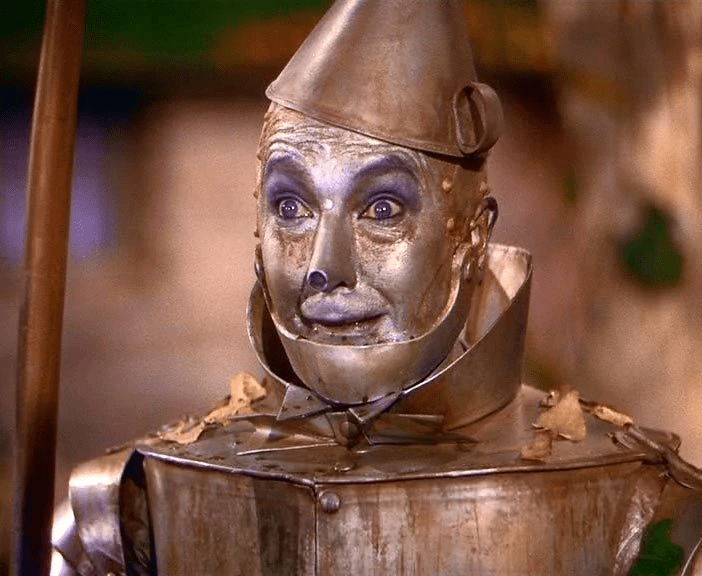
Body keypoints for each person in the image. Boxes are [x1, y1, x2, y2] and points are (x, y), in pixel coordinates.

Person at [51, 1, 702, 574]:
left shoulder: (644, 514)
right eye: (291, 207)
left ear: (473, 235)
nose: (324, 266)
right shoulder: (132, 511)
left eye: (382, 209)